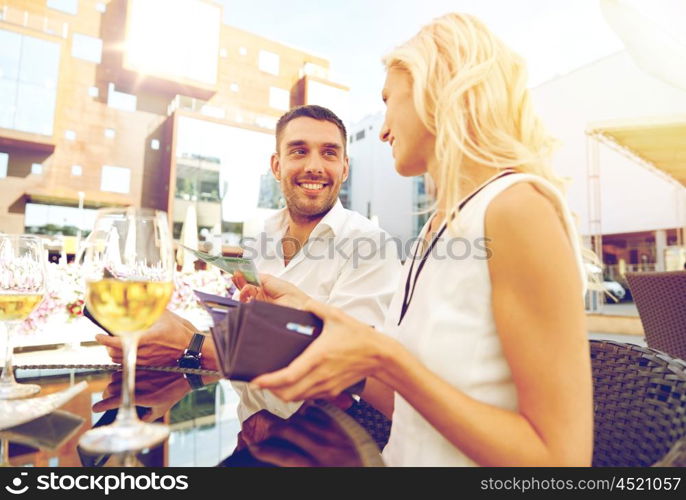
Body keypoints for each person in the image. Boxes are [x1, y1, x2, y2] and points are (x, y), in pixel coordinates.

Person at [239, 13, 594, 466]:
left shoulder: (517, 208)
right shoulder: (439, 227)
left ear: (436, 92)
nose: (384, 128)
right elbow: (397, 403)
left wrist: (385, 357)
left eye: (389, 101)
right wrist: (314, 322)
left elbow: (562, 463)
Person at [96, 106, 400, 398]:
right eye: (299, 151)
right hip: (251, 432)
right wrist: (181, 353)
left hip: (327, 439)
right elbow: (247, 353)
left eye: (329, 153)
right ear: (276, 166)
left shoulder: (371, 246)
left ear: (345, 168)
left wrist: (191, 345)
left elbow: (351, 368)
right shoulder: (261, 239)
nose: (314, 167)